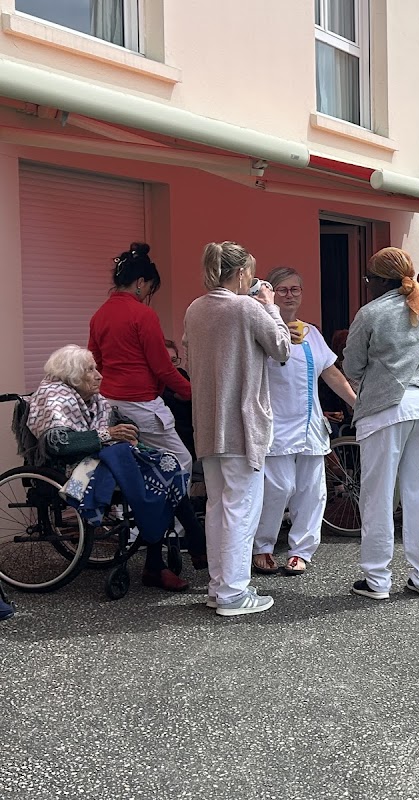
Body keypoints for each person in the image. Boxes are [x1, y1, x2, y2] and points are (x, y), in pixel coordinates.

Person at [25, 345, 208, 591]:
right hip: (73, 467)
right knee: (156, 477)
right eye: (91, 370)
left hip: (101, 458)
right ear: (73, 375)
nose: (99, 375)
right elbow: (58, 443)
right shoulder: (55, 398)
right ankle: (188, 547)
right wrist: (107, 433)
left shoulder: (93, 397)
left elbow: (119, 419)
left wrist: (127, 431)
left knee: (167, 466)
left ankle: (166, 557)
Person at [344, 246, 419, 600]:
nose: (366, 285)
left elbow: (351, 368)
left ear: (380, 280)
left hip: (385, 410)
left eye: (368, 279)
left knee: (378, 497)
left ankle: (378, 580)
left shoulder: (369, 314)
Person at [184, 241, 291, 617]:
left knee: (218, 508)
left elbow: (188, 354)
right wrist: (271, 306)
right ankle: (232, 593)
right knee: (241, 509)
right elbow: (281, 348)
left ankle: (219, 586)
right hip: (243, 424)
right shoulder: (246, 307)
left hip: (209, 424)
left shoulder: (195, 308)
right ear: (243, 273)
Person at [251, 267, 357, 578]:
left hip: (310, 424)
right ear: (271, 293)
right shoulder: (261, 331)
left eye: (294, 289)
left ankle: (301, 551)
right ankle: (263, 546)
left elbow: (330, 372)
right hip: (275, 424)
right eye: (282, 289)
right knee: (278, 487)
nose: (289, 295)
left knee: (312, 491)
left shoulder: (311, 333)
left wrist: (356, 404)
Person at [88, 243, 194, 472]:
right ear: (140, 282)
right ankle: (168, 509)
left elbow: (96, 363)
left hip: (110, 401)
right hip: (141, 403)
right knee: (181, 460)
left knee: (136, 464)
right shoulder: (143, 315)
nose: (147, 294)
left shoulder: (99, 315)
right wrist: (189, 391)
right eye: (149, 288)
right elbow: (162, 366)